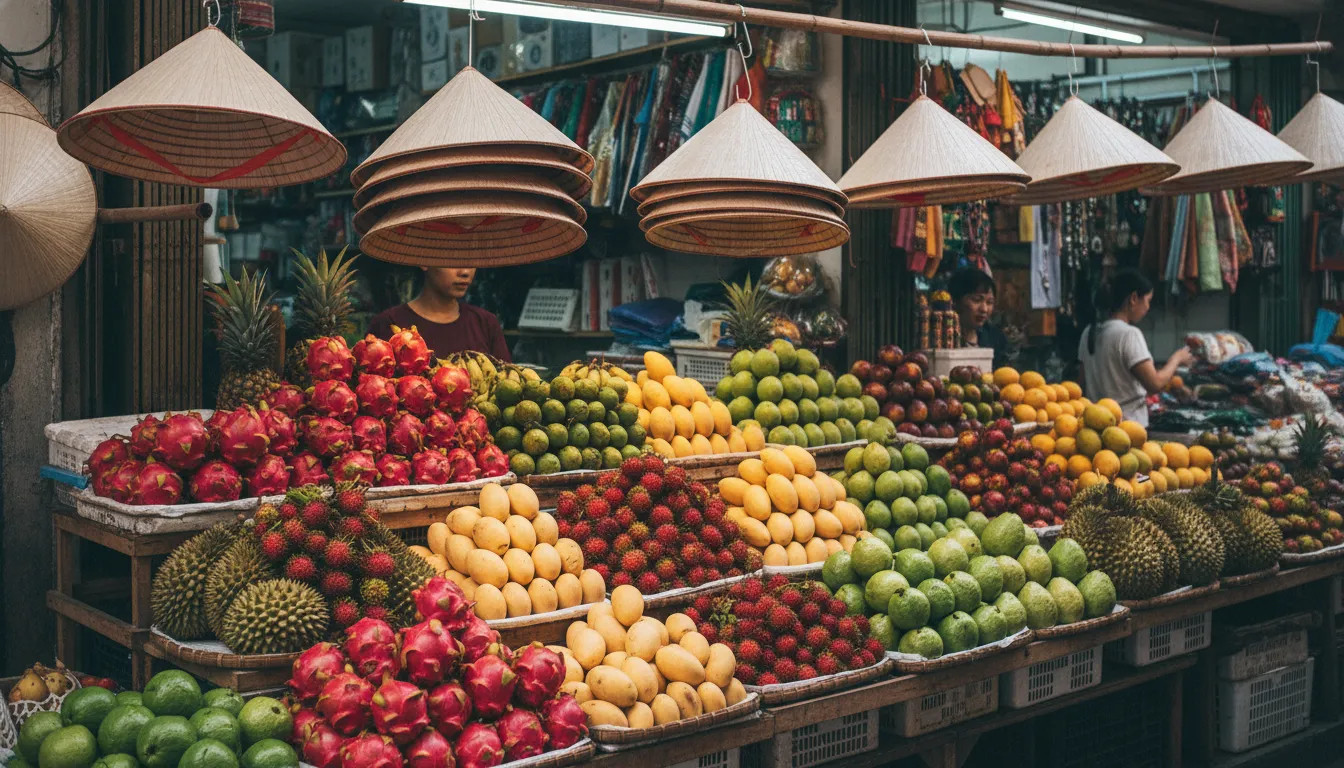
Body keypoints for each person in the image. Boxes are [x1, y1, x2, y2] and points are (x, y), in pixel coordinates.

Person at [1078, 269, 1193, 426]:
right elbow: (1154, 384)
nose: (1147, 307)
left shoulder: (1088, 332)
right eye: (1147, 300)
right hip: (1128, 426)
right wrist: (1176, 359)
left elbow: (1081, 385)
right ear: (1133, 298)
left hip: (1096, 425)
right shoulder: (1129, 334)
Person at [368, 267, 512, 361]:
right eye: (454, 260)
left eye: (471, 260)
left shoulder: (485, 323)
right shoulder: (389, 323)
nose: (465, 272)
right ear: (424, 261)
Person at [949, 268, 1008, 368]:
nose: (984, 309)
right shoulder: (941, 339)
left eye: (990, 302)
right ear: (955, 302)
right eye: (976, 300)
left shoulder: (996, 339)